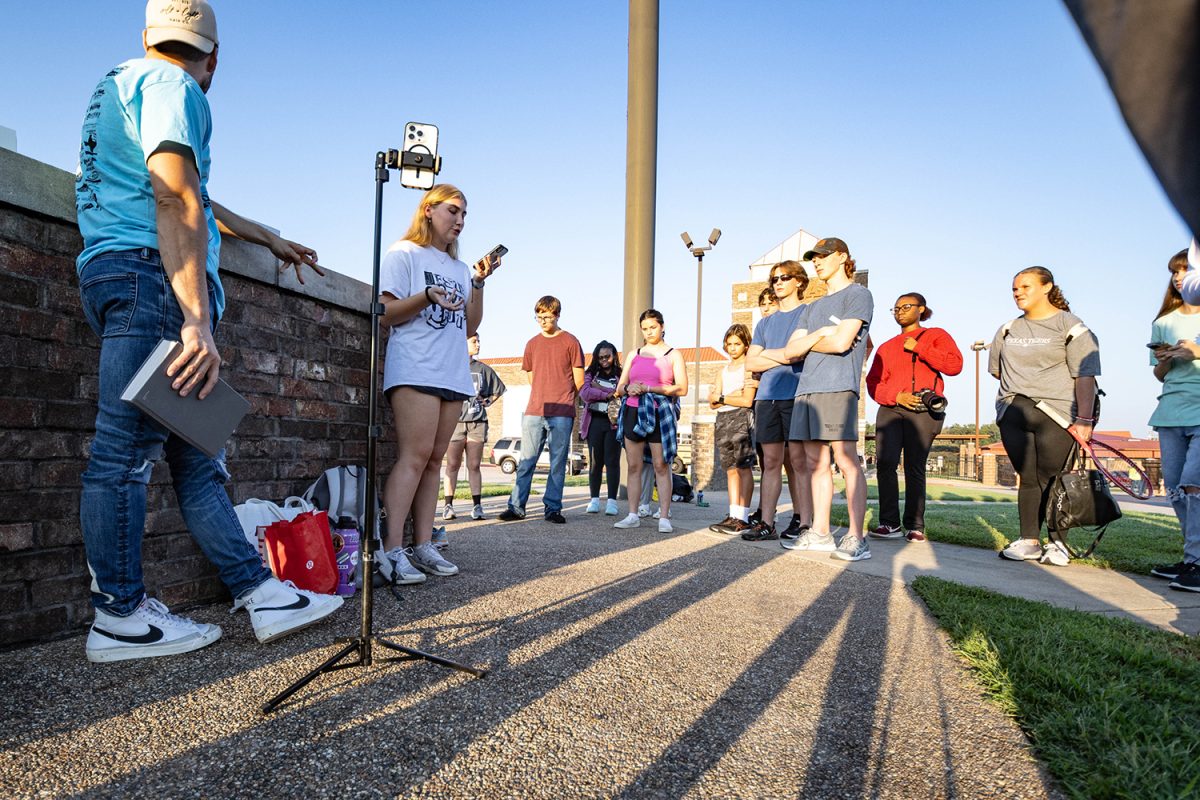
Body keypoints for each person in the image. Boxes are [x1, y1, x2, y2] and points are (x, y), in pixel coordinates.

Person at [74, 0, 342, 662]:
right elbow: (174, 196)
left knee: (198, 456)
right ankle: (120, 617)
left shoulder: (124, 80)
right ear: (212, 57)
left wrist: (265, 237)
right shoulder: (176, 87)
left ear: (149, 36)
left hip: (122, 272)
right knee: (123, 454)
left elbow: (185, 185)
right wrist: (195, 317)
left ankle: (262, 594)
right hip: (152, 280)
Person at [377, 184, 500, 585]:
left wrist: (478, 283)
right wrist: (426, 296)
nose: (460, 221)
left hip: (452, 373)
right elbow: (385, 313)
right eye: (453, 211)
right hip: (415, 368)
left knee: (434, 462)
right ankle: (391, 550)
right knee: (413, 458)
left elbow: (471, 325)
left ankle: (423, 543)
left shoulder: (460, 269)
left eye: (465, 214)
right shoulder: (404, 253)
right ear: (428, 210)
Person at [989, 267, 1100, 567]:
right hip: (1013, 412)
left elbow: (1085, 375)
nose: (1018, 292)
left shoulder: (1071, 326)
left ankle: (1058, 544)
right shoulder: (1007, 329)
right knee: (1027, 477)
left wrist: (1085, 420)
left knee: (1054, 480)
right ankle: (1029, 541)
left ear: (1047, 287)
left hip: (1057, 414)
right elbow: (997, 371)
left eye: (1025, 286)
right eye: (1014, 288)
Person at [781, 238, 874, 562]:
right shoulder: (812, 307)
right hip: (807, 388)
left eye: (823, 256)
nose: (817, 262)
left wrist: (812, 339)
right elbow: (791, 350)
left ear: (843, 257)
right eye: (814, 258)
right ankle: (820, 532)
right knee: (814, 463)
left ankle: (856, 537)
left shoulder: (858, 295)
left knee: (846, 460)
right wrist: (822, 334)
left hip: (837, 386)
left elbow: (842, 343)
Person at [866, 293, 963, 542]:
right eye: (896, 308)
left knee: (914, 466)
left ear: (921, 309)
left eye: (906, 306)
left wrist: (919, 347)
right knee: (886, 463)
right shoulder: (886, 347)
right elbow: (873, 382)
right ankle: (889, 523)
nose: (900, 311)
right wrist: (897, 396)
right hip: (892, 407)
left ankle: (915, 526)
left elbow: (954, 366)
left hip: (923, 409)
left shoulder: (936, 335)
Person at [743, 261, 814, 541]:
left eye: (784, 277)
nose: (778, 282)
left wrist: (770, 356)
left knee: (798, 461)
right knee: (770, 462)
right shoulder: (764, 322)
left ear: (799, 281)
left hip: (796, 394)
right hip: (767, 397)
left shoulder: (809, 314)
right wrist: (785, 353)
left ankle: (803, 520)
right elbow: (751, 361)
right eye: (774, 278)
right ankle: (767, 523)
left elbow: (800, 355)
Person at [499, 296, 585, 524]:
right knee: (526, 460)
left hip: (562, 411)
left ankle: (553, 509)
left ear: (557, 315)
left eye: (547, 316)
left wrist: (565, 399)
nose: (543, 321)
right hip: (535, 410)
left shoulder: (571, 342)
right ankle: (516, 507)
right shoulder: (532, 344)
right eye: (539, 317)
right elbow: (531, 377)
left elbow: (579, 381)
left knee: (558, 463)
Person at [1148, 249, 1200, 591]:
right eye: (1175, 272)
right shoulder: (1163, 321)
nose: (1178, 277)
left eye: (1184, 270)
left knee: (1195, 486)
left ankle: (1197, 562)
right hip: (1170, 411)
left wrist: (1195, 351)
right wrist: (1166, 358)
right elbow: (1157, 374)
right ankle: (1191, 559)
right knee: (1178, 491)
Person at [613, 310, 689, 533]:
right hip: (633, 411)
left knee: (661, 465)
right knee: (634, 466)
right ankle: (633, 514)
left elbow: (682, 388)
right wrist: (629, 388)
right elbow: (619, 388)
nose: (649, 332)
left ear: (662, 326)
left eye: (653, 327)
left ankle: (664, 517)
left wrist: (649, 388)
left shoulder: (673, 354)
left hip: (659, 412)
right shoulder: (633, 354)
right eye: (645, 328)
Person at [442, 333, 506, 522]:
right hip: (455, 422)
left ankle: (477, 506)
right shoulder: (451, 366)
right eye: (474, 341)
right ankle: (448, 506)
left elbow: (498, 391)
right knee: (452, 464)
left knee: (474, 465)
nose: (478, 344)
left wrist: (486, 401)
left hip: (477, 422)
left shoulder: (483, 369)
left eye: (479, 341)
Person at [708, 324, 758, 534]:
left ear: (746, 345)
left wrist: (722, 398)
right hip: (723, 419)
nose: (733, 348)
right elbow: (712, 402)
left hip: (741, 419)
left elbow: (747, 400)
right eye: (729, 344)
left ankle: (744, 516)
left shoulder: (750, 367)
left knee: (743, 467)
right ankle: (733, 514)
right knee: (730, 469)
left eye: (737, 344)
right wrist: (727, 397)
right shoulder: (723, 371)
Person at [579, 341, 623, 516]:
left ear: (614, 356)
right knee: (595, 462)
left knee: (612, 461)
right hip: (594, 422)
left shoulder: (620, 374)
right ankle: (594, 500)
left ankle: (612, 501)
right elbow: (585, 393)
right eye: (601, 357)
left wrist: (602, 389)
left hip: (613, 423)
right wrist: (608, 394)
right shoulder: (590, 373)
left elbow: (622, 392)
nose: (604, 360)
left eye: (608, 356)